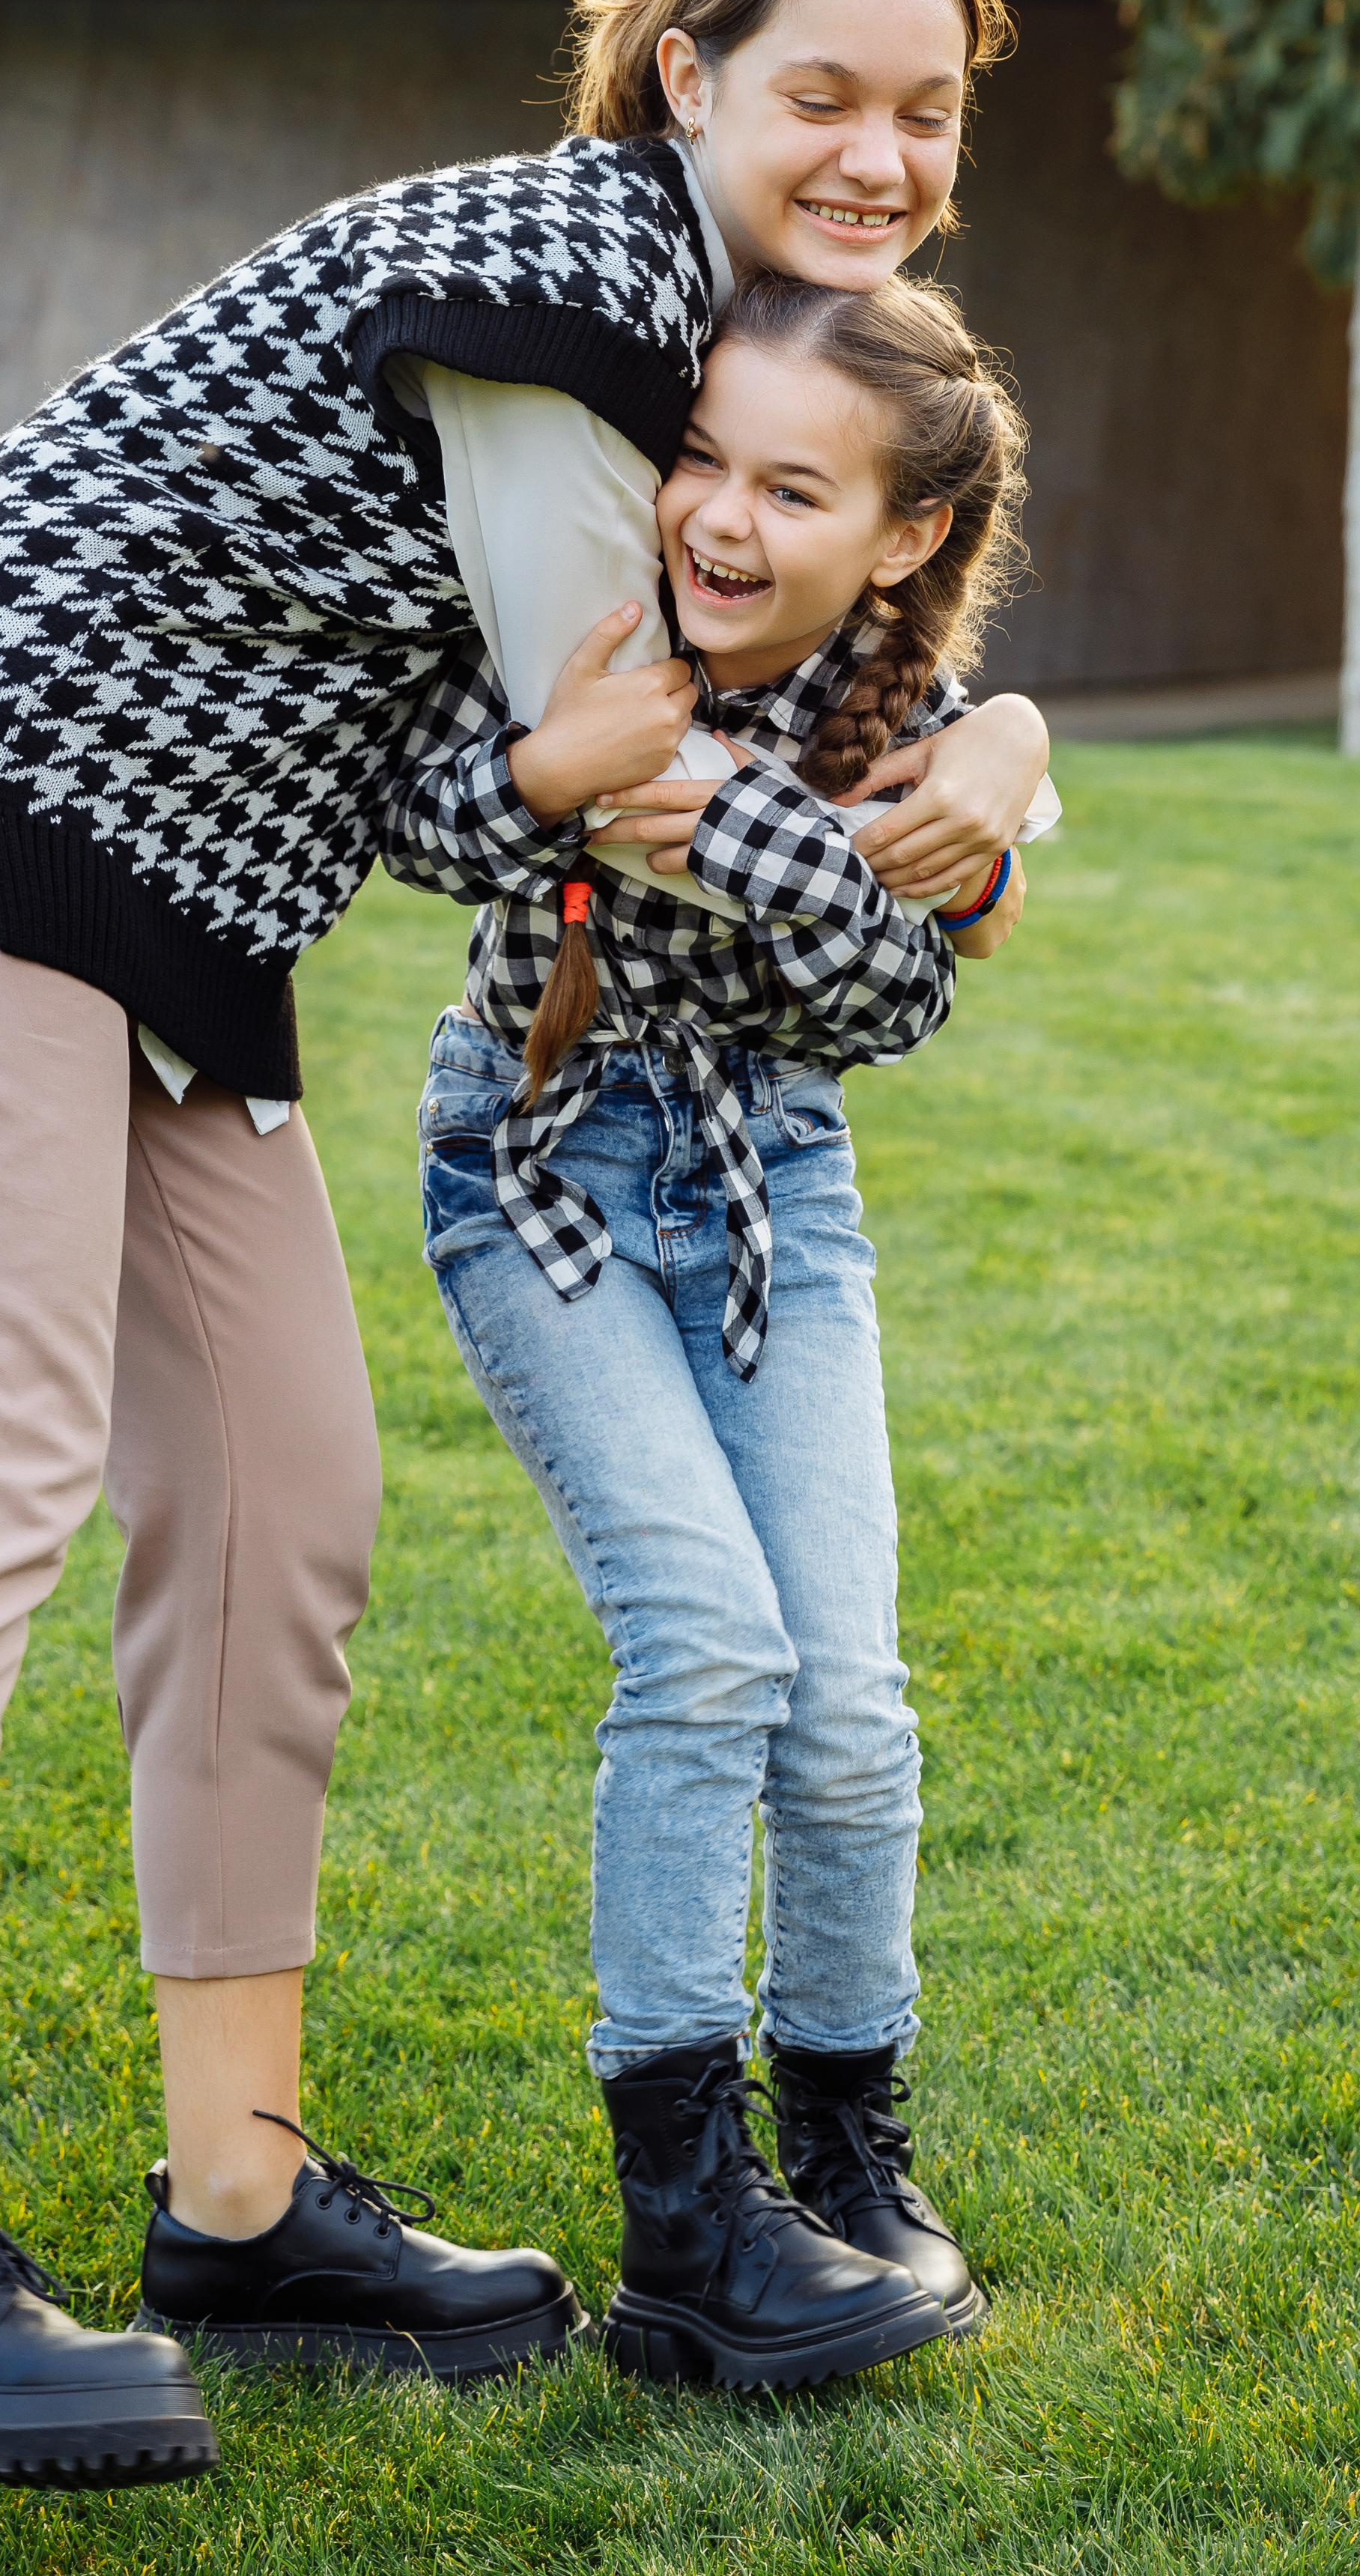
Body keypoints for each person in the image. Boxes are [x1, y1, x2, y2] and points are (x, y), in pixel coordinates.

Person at [0, 0, 1051, 2486]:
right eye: (822, 94)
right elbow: (622, 769)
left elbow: (596, 731)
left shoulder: (691, 329)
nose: (881, 151)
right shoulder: (572, 287)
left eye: (930, 109)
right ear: (686, 78)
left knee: (288, 1500)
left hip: (194, 899)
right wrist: (970, 833)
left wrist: (991, 750)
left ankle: (240, 2185)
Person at [382, 266, 1044, 2391]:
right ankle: (687, 2226)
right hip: (542, 1175)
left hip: (781, 1192)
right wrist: (776, 832)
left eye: (790, 485)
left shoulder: (913, 735)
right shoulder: (591, 620)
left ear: (908, 536)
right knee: (710, 1648)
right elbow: (425, 810)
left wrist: (968, 782)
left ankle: (854, 2158)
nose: (721, 519)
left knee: (847, 1699)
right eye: (701, 460)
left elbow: (894, 1000)